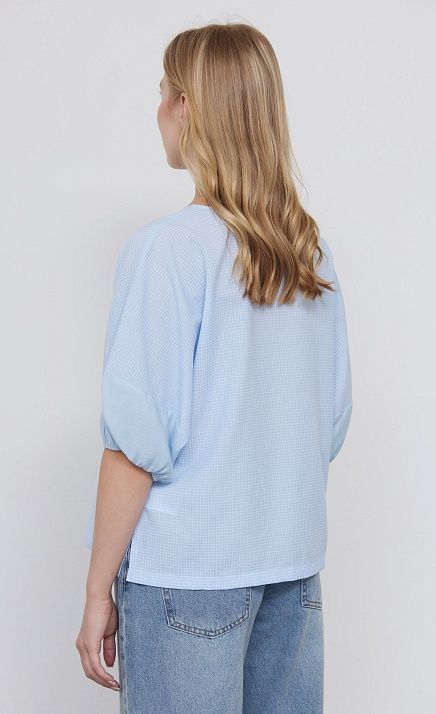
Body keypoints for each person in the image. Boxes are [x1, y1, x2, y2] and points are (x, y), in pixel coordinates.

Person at [75, 21, 353, 714]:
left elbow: (136, 445)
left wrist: (96, 590)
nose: (157, 112)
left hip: (189, 576)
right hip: (292, 572)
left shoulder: (168, 250)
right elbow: (330, 423)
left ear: (189, 108)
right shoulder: (309, 255)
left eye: (163, 93)